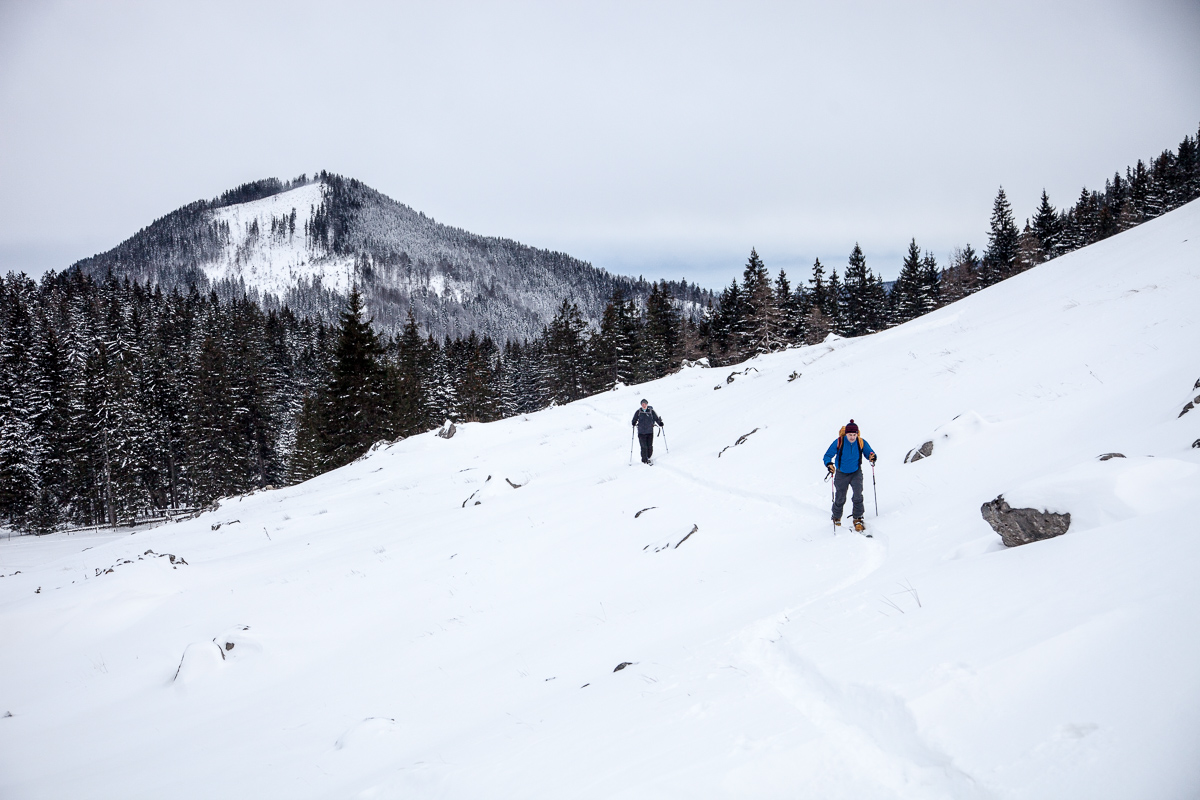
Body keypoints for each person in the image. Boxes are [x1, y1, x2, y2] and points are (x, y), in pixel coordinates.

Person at [823, 419, 876, 531]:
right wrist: (829, 464)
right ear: (846, 434)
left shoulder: (861, 442)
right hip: (841, 473)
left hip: (856, 472)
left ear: (857, 434)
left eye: (854, 434)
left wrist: (872, 456)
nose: (852, 437)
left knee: (858, 495)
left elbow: (869, 452)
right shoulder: (839, 441)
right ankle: (836, 517)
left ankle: (858, 518)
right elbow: (827, 455)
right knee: (840, 497)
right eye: (850, 434)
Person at [631, 399, 664, 464]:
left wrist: (660, 423)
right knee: (643, 447)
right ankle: (644, 460)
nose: (644, 405)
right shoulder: (638, 412)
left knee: (649, 446)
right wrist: (634, 422)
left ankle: (649, 457)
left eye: (645, 404)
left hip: (650, 432)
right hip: (641, 432)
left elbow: (656, 418)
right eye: (642, 404)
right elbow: (634, 419)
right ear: (641, 405)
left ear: (647, 404)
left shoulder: (651, 411)